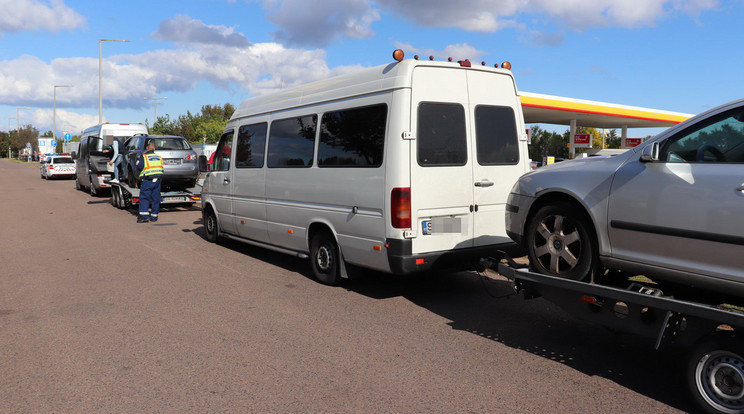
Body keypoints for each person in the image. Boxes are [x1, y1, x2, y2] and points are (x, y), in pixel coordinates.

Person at [135, 141, 164, 223]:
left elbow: (139, 167)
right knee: (156, 198)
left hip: (148, 180)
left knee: (144, 198)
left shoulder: (144, 157)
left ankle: (144, 217)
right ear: (154, 149)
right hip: (157, 181)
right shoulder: (159, 157)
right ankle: (154, 216)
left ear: (146, 149)